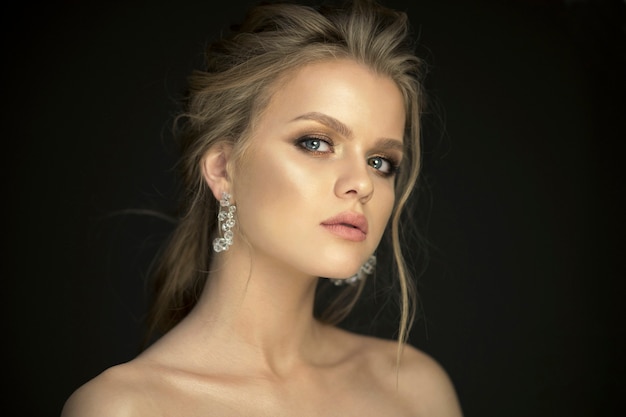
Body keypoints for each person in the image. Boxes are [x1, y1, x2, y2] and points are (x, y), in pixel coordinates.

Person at [61, 0, 463, 415]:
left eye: (381, 162)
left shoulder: (413, 388)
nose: (361, 183)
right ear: (222, 169)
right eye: (316, 143)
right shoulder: (124, 408)